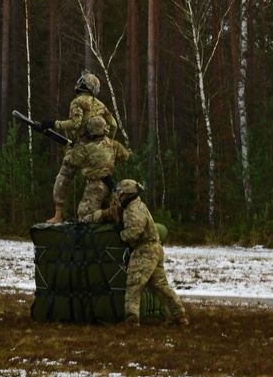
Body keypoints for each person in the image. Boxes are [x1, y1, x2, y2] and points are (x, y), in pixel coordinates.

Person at [44, 70, 117, 223]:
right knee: (99, 179)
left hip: (81, 147)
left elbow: (75, 123)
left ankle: (58, 215)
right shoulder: (100, 105)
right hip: (100, 149)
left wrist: (54, 124)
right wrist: (105, 143)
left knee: (64, 175)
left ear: (84, 85)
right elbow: (113, 125)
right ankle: (106, 211)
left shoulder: (78, 102)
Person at [115, 178, 189, 326]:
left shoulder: (133, 209)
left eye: (120, 195)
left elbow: (133, 234)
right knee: (160, 285)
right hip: (155, 248)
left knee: (134, 284)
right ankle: (179, 315)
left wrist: (120, 232)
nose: (119, 198)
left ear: (126, 194)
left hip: (145, 249)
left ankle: (131, 319)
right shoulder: (140, 206)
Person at [72, 114, 129, 222]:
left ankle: (109, 212)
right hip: (110, 185)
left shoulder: (85, 148)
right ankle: (109, 216)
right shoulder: (114, 144)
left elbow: (74, 161)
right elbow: (125, 156)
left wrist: (72, 147)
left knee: (84, 218)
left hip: (95, 186)